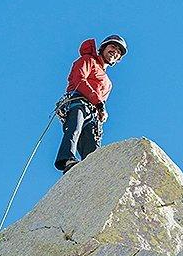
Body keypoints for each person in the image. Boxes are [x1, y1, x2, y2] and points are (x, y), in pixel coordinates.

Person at [54, 35, 128, 173]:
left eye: (118, 51)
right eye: (112, 47)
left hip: (93, 112)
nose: (115, 51)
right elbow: (79, 80)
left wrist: (101, 111)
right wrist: (99, 104)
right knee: (74, 129)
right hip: (78, 102)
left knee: (91, 144)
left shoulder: (108, 83)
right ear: (103, 48)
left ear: (118, 59)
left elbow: (102, 101)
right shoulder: (87, 60)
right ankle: (67, 159)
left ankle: (93, 171)